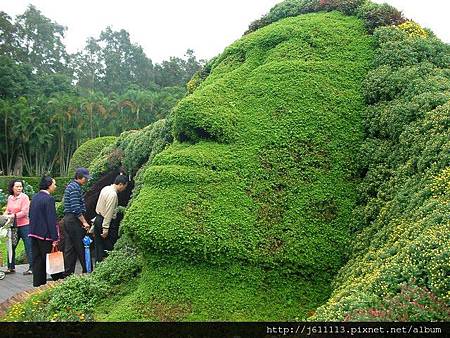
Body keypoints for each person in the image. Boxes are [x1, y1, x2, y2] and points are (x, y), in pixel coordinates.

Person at [28, 176, 63, 287]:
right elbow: (51, 219)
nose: (55, 186)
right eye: (54, 184)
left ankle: (37, 285)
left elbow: (31, 215)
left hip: (33, 233)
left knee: (37, 261)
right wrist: (55, 238)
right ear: (49, 185)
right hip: (45, 235)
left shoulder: (35, 197)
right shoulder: (49, 199)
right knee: (52, 259)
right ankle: (59, 283)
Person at [93, 174, 128, 263]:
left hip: (98, 218)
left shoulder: (105, 188)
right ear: (120, 184)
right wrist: (105, 228)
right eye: (124, 186)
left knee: (98, 245)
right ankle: (107, 266)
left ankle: (98, 265)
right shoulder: (113, 195)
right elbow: (108, 212)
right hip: (105, 221)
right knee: (109, 246)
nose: (124, 189)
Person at [63, 167, 90, 275]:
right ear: (79, 177)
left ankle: (68, 273)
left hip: (68, 219)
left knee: (70, 247)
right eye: (85, 178)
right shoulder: (75, 188)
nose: (86, 180)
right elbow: (76, 208)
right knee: (80, 245)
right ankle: (87, 270)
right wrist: (84, 222)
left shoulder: (73, 186)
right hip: (73, 220)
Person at [3, 179, 32, 275]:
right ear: (12, 187)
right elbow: (8, 209)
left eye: (20, 186)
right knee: (11, 246)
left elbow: (24, 212)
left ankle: (32, 268)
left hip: (24, 226)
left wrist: (13, 215)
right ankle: (10, 267)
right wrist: (5, 215)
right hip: (13, 226)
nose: (19, 188)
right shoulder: (10, 197)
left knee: (28, 246)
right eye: (17, 186)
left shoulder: (24, 197)